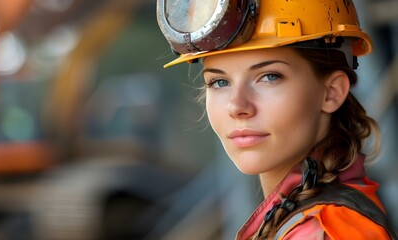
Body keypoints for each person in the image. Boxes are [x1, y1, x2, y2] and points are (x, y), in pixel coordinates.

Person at [157, 0, 397, 239]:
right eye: (219, 82)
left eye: (269, 77)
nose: (237, 106)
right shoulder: (306, 220)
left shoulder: (323, 230)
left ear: (332, 92)